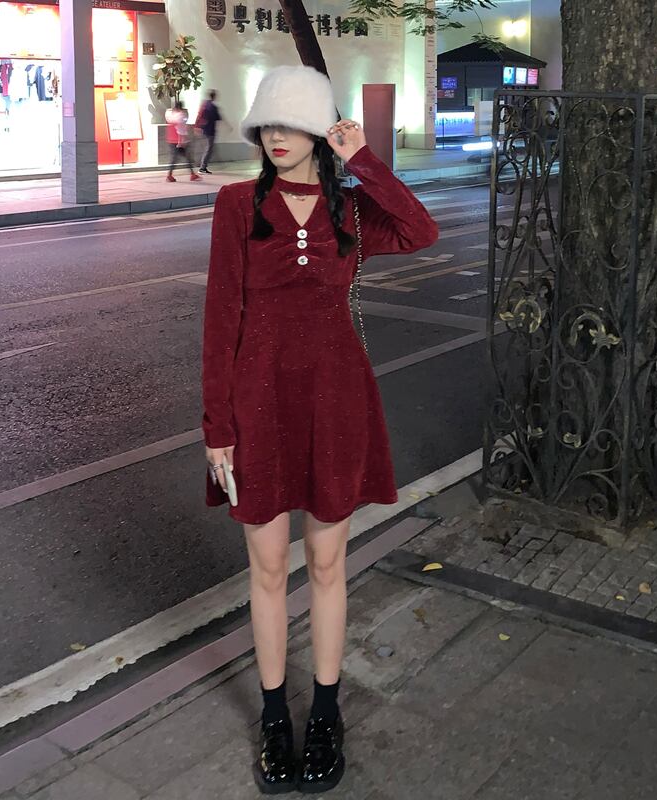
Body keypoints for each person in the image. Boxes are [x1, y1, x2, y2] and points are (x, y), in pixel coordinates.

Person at [201, 65, 438, 793]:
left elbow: (420, 228)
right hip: (258, 406)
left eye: (292, 123)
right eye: (267, 124)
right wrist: (217, 427)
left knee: (329, 566)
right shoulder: (237, 206)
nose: (277, 136)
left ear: (318, 131)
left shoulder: (350, 211)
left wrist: (363, 157)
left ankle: (327, 713)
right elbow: (220, 321)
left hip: (336, 401)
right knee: (269, 569)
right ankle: (276, 715)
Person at [165, 100, 201, 182]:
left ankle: (192, 174)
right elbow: (180, 130)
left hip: (171, 139)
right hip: (178, 141)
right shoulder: (180, 116)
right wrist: (181, 141)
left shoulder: (170, 115)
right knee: (179, 158)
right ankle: (170, 175)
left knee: (181, 157)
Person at [196, 89, 223, 174]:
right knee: (209, 149)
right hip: (210, 131)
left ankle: (203, 166)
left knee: (208, 149)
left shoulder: (205, 104)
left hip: (204, 129)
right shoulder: (213, 107)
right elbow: (218, 117)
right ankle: (202, 167)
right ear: (214, 96)